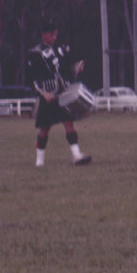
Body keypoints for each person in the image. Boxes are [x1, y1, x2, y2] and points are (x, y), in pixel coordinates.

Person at [26, 19, 91, 167]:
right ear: (44, 35)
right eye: (51, 34)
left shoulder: (61, 49)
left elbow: (67, 71)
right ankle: (39, 161)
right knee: (44, 129)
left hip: (64, 94)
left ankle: (76, 156)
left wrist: (76, 68)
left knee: (69, 124)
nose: (54, 37)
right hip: (48, 96)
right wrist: (43, 93)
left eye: (55, 34)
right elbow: (31, 79)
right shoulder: (35, 53)